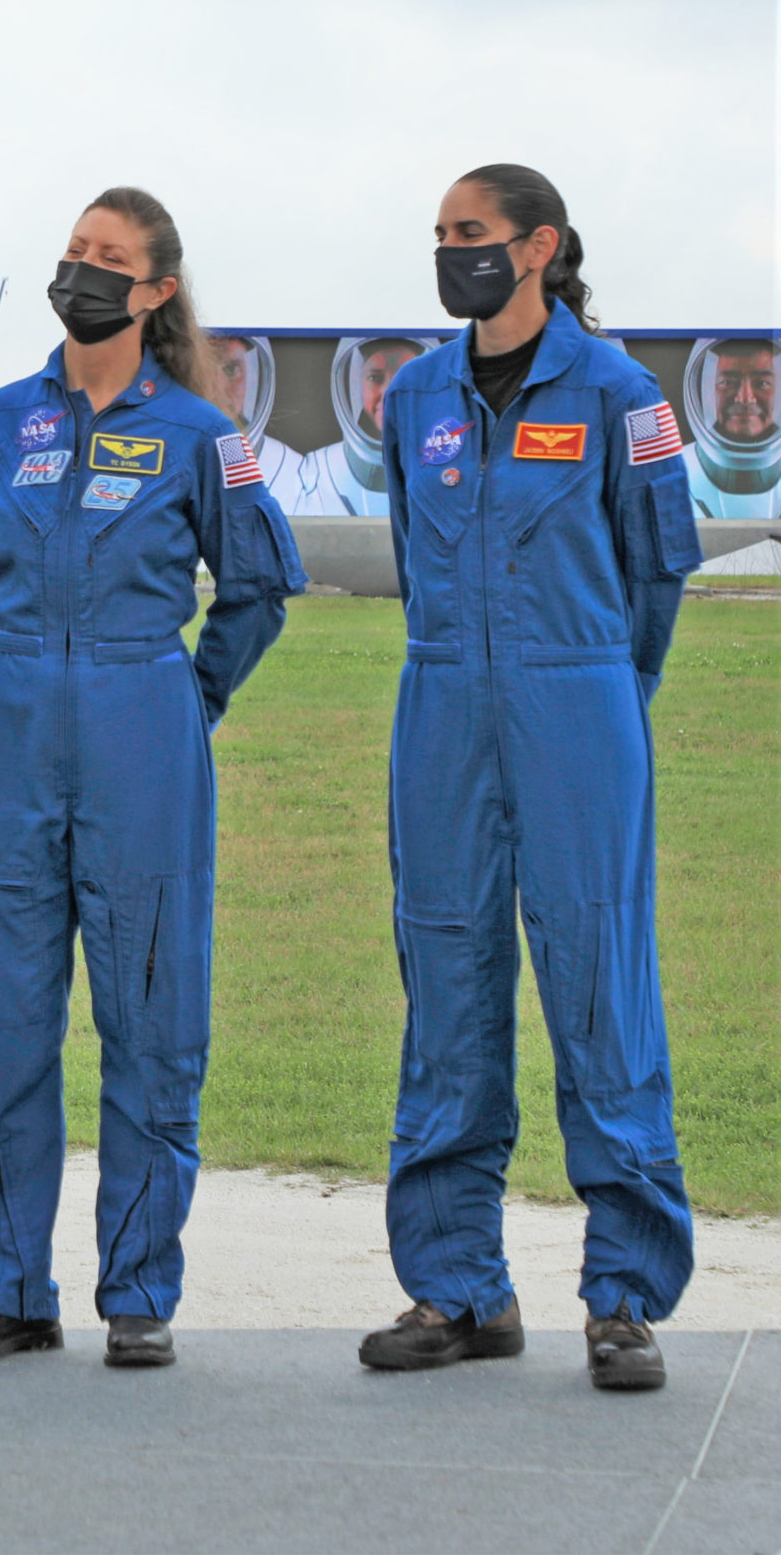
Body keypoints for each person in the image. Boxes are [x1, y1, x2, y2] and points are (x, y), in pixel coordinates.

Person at [0, 187, 303, 1371]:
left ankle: (138, 1287)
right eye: (72, 252)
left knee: (150, 1020)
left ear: (154, 292)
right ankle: (5, 1288)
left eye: (109, 259)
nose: (81, 270)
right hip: (13, 732)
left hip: (146, 728)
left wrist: (186, 696)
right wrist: (27, 673)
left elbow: (257, 588)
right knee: (10, 1028)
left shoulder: (201, 434)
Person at [361, 163, 701, 1392]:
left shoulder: (620, 395)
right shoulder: (415, 399)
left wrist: (599, 692)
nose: (452, 251)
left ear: (539, 246)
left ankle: (622, 1296)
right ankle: (457, 1289)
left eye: (472, 232)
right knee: (445, 981)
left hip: (577, 702)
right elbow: (408, 547)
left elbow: (655, 577)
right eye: (441, 232)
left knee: (599, 983)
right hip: (442, 704)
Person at [280, 335, 429, 514]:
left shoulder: (451, 460)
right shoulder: (314, 471)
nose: (389, 392)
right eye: (375, 378)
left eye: (405, 377)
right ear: (352, 385)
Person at [679, 335, 779, 518]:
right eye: (728, 383)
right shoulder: (667, 474)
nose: (745, 398)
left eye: (762, 383)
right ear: (701, 391)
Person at [209, 332, 308, 496]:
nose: (215, 390)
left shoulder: (295, 473)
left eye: (230, 369)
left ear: (256, 378)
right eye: (200, 371)